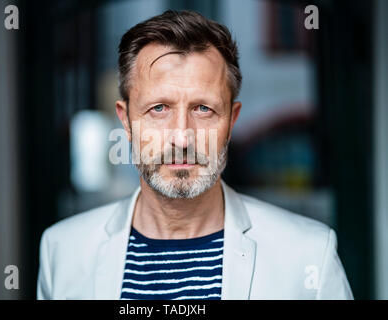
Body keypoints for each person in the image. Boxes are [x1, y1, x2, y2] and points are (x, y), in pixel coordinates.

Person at [37, 10, 353, 300]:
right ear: (127, 121)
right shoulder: (62, 251)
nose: (182, 136)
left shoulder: (310, 255)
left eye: (203, 109)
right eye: (158, 108)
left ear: (231, 121)